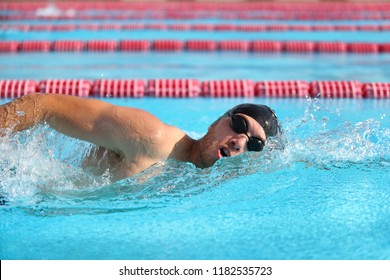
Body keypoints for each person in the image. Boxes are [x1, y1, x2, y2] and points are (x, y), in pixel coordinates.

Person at [0, 93, 281, 180]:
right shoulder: (153, 138)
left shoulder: (223, 178)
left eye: (254, 144)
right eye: (239, 126)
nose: (240, 141)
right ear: (217, 121)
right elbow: (44, 106)